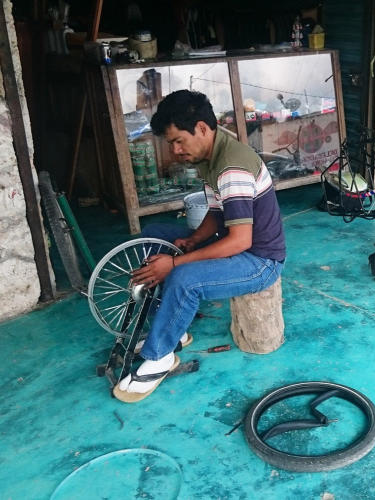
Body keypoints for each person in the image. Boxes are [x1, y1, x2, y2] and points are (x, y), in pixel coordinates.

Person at [113, 90, 286, 402]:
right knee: (152, 236)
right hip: (233, 242)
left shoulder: (232, 166)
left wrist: (178, 263)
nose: (176, 150)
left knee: (183, 279)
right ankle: (173, 332)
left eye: (179, 140)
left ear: (203, 129)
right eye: (171, 144)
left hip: (259, 261)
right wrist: (192, 241)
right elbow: (218, 213)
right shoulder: (211, 157)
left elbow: (241, 240)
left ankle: (160, 356)